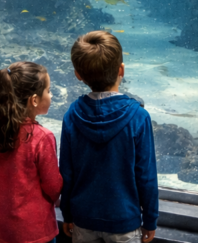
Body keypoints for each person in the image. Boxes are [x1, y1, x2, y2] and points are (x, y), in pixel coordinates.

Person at [60, 31, 158, 243]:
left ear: (78, 74)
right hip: (124, 221)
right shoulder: (139, 117)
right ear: (121, 69)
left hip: (83, 219)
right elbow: (146, 176)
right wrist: (150, 219)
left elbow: (66, 173)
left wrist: (67, 214)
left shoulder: (71, 116)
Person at [0, 62, 62, 243]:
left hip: (0, 228)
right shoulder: (42, 137)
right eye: (48, 91)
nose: (50, 95)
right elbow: (53, 187)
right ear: (34, 100)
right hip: (35, 232)